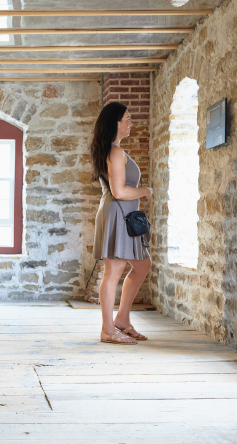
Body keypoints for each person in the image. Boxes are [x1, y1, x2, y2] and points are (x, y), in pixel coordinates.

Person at [90, 102, 152, 345]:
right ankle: (107, 330)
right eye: (127, 118)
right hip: (117, 214)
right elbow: (119, 191)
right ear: (115, 122)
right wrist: (144, 191)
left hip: (124, 216)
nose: (131, 123)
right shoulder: (115, 152)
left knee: (142, 265)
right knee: (113, 272)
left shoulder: (115, 150)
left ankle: (122, 320)